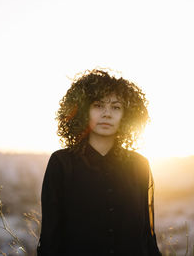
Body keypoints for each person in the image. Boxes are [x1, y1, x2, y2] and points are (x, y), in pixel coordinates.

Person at [37, 69, 162, 256]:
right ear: (82, 110)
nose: (107, 114)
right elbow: (50, 235)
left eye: (116, 107)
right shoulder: (61, 163)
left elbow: (145, 235)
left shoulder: (139, 164)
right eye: (98, 105)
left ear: (126, 115)